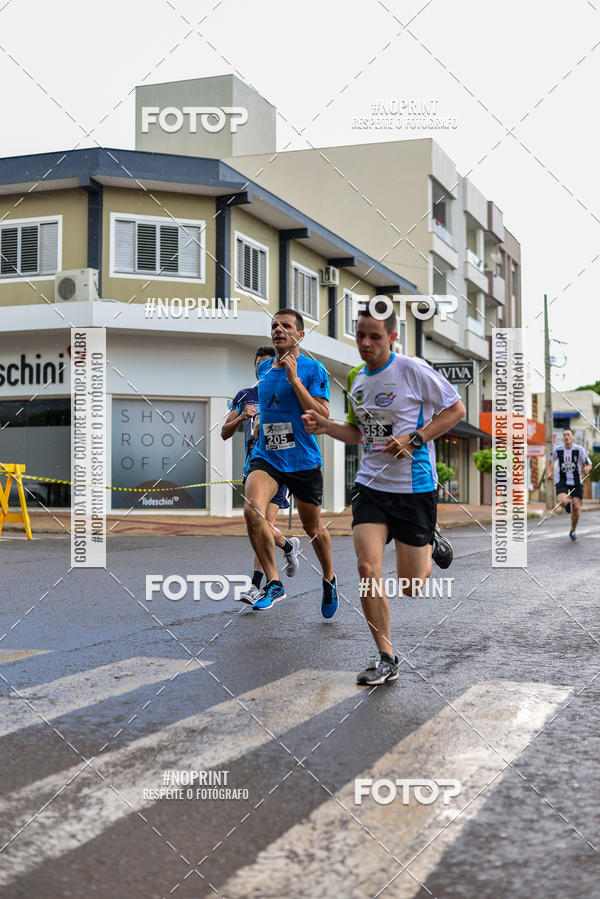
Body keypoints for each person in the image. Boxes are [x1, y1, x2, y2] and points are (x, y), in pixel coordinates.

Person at [303, 300, 465, 685]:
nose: (365, 343)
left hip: (413, 489)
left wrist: (417, 436)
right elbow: (358, 433)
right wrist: (326, 427)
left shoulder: (411, 369)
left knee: (410, 586)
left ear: (392, 337)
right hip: (371, 486)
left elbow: (455, 410)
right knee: (367, 568)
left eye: (375, 336)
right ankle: (385, 657)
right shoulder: (357, 377)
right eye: (360, 335)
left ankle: (430, 542)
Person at [243, 308, 338, 615]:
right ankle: (273, 582)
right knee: (253, 509)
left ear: (300, 335)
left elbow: (323, 414)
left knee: (314, 528)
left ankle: (329, 578)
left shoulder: (314, 369)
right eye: (274, 326)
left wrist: (295, 380)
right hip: (268, 455)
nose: (278, 330)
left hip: (303, 459)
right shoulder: (264, 371)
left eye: (285, 326)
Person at [221, 345, 300, 604]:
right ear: (255, 368)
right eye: (259, 365)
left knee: (262, 523)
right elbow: (224, 432)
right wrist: (243, 416)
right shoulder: (245, 396)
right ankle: (288, 546)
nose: (263, 368)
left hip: (279, 470)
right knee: (259, 526)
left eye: (268, 363)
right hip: (253, 470)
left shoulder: (286, 393)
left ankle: (258, 585)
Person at [547, 428, 592, 541]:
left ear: (573, 437)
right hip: (561, 481)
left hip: (576, 482)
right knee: (562, 501)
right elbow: (550, 460)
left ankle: (573, 530)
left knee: (576, 507)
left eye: (568, 434)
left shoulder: (579, 450)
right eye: (564, 435)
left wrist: (587, 469)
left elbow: (588, 463)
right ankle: (567, 502)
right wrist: (549, 472)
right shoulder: (558, 450)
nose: (566, 436)